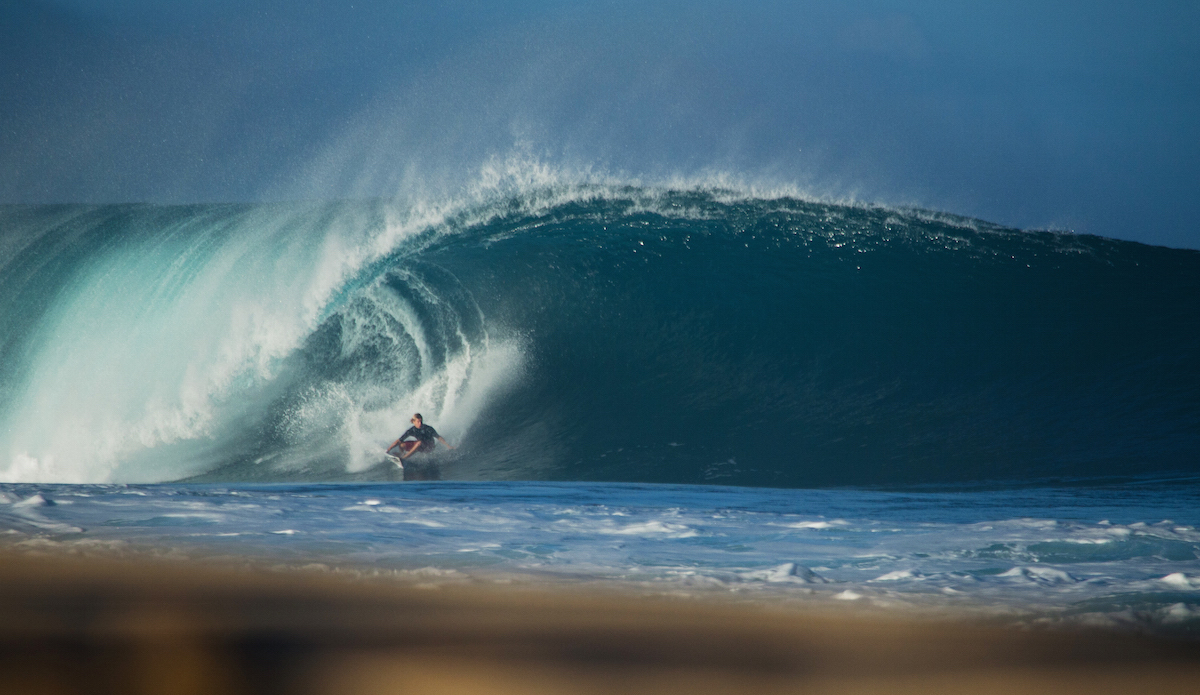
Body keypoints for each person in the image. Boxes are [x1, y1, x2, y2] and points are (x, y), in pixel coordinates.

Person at [386, 413, 454, 460]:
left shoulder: (428, 428)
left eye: (421, 421)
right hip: (420, 445)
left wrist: (448, 445)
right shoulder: (411, 430)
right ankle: (402, 455)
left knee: (419, 443)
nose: (420, 423)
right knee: (401, 445)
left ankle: (404, 458)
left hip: (429, 447)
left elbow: (439, 437)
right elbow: (399, 440)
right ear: (413, 422)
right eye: (418, 421)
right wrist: (389, 449)